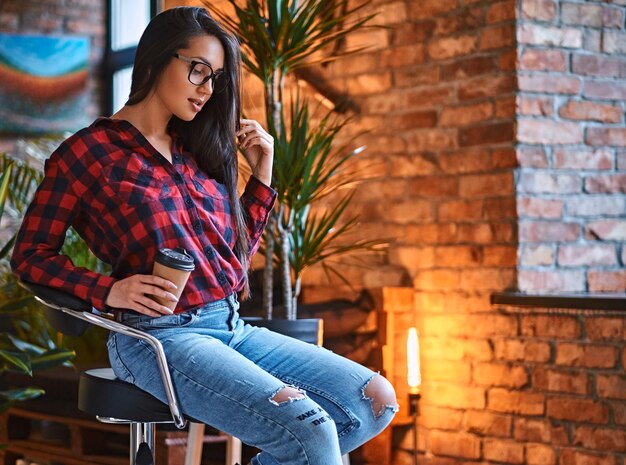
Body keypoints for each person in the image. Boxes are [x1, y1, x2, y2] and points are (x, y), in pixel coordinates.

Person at [11, 6, 398, 465]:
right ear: (156, 59)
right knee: (311, 433)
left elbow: (234, 261)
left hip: (232, 327)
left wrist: (263, 177)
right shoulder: (87, 153)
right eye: (198, 70)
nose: (207, 89)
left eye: (215, 78)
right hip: (158, 339)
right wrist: (109, 289)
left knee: (374, 400)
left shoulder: (196, 150)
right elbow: (30, 256)